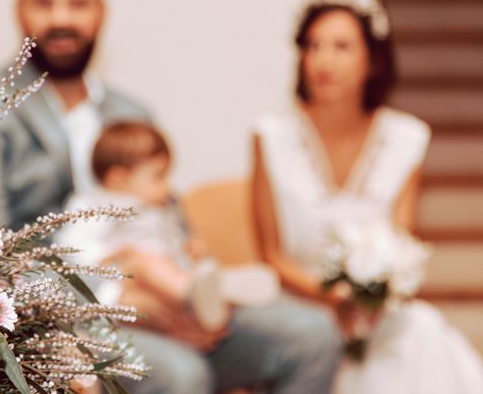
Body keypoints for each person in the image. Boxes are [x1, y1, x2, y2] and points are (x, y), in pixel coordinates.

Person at [251, 0, 483, 394]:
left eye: (341, 47)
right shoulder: (270, 136)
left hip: (374, 313)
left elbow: (400, 242)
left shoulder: (406, 137)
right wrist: (333, 298)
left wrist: (372, 297)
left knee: (423, 330)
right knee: (316, 343)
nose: (323, 61)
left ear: (372, 60)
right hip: (303, 310)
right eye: (313, 46)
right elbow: (272, 253)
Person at [59, 120, 342, 394]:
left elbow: (177, 245)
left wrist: (193, 253)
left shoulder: (162, 209)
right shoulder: (93, 206)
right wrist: (113, 267)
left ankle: (210, 297)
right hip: (130, 291)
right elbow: (73, 253)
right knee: (147, 264)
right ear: (117, 178)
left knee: (315, 332)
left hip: (176, 285)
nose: (167, 187)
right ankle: (197, 296)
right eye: (158, 177)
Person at [0, 0, 150, 230]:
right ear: (19, 10)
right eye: (44, 3)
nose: (61, 19)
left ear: (100, 13)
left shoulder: (134, 116)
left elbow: (171, 226)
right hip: (37, 274)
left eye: (78, 4)